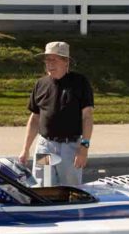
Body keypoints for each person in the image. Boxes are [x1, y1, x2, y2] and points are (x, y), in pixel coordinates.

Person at [18, 41, 94, 186]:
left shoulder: (80, 83)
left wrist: (83, 149)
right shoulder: (41, 84)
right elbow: (35, 118)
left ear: (66, 62)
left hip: (70, 148)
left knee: (70, 191)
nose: (49, 63)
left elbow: (87, 117)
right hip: (45, 147)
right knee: (43, 188)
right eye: (47, 59)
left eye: (54, 59)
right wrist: (26, 148)